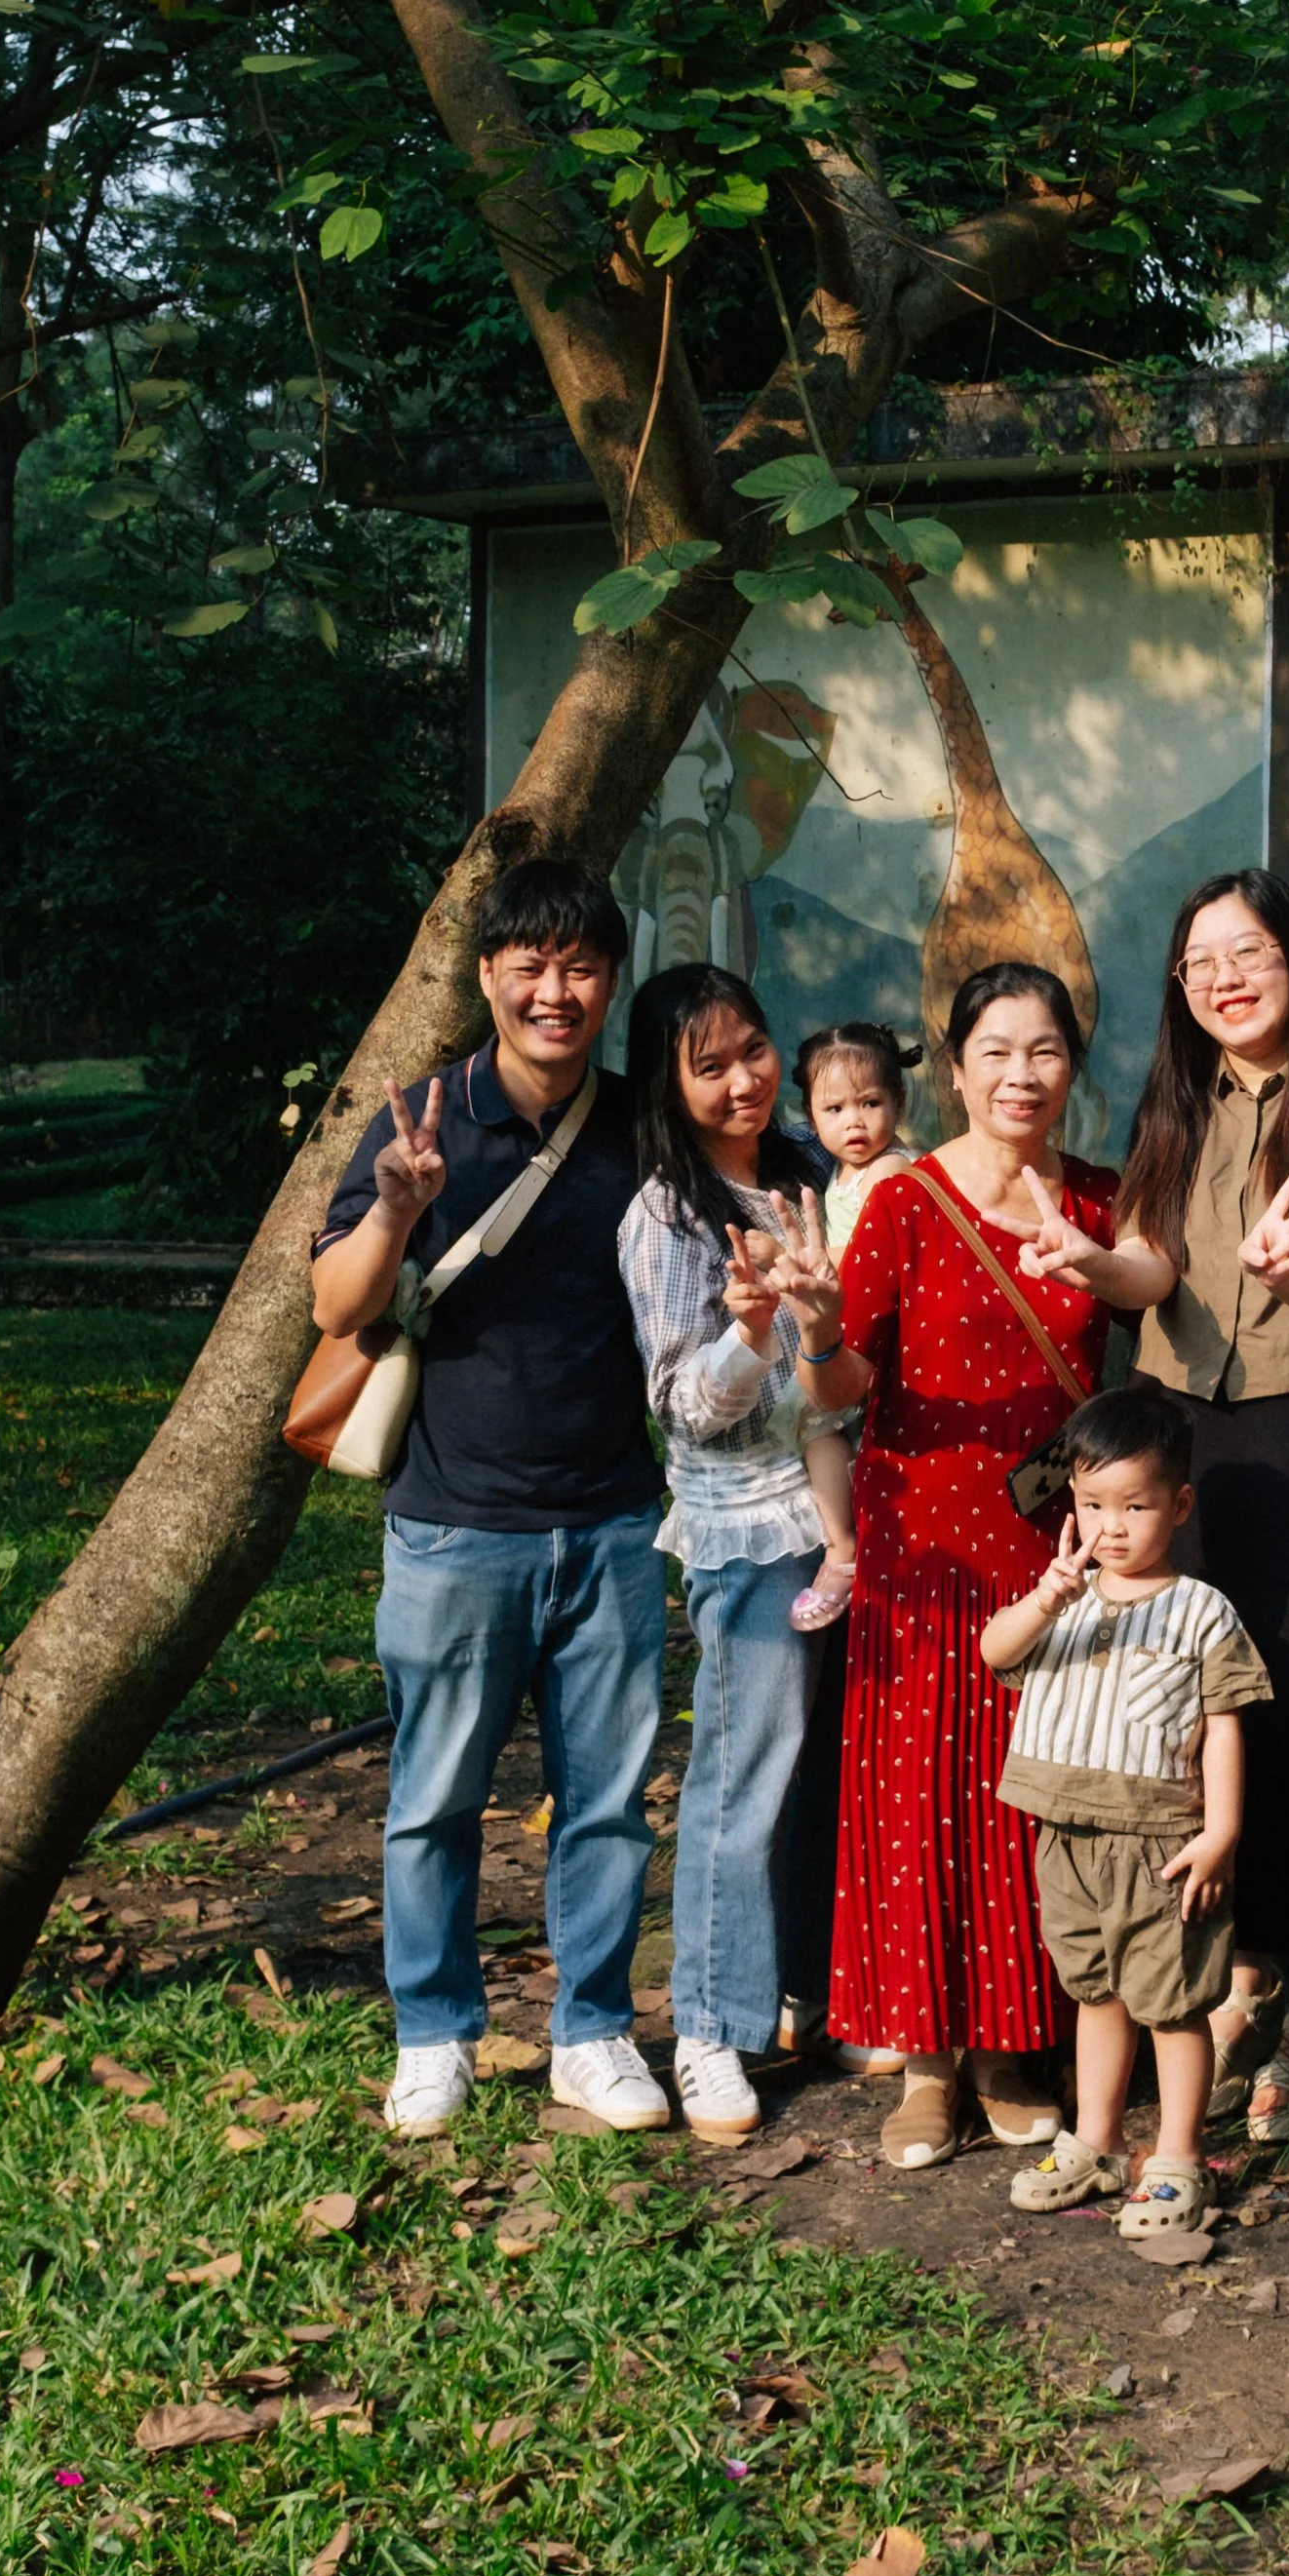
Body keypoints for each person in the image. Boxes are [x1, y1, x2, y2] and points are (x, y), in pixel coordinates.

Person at [313, 852, 672, 2139]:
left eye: (579, 964)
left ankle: (590, 2029)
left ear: (608, 978)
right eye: (531, 962)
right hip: (455, 1520)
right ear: (488, 974)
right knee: (433, 1800)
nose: (555, 988)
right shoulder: (422, 1117)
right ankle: (433, 2030)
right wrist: (396, 1211)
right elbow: (336, 1308)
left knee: (609, 1803)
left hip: (616, 1519)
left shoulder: (642, 1124)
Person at [795, 960, 1176, 2168]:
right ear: (951, 1068)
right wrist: (811, 1332)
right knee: (914, 1801)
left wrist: (1092, 1263)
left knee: (1034, 1799)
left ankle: (1014, 2047)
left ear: (1073, 1067)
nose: (1021, 1075)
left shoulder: (1104, 1202)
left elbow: (1155, 1303)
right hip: (920, 1542)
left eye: (1045, 1052)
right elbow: (846, 1383)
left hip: (1054, 1550)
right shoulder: (906, 1201)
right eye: (995, 1052)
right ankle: (922, 2062)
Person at [1122, 868, 1289, 2128]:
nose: (1226, 977)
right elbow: (1147, 1261)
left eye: (1252, 952)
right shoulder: (1176, 1100)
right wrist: (1092, 1261)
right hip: (1192, 1427)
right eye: (1201, 961)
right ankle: (1242, 1965)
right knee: (1207, 1705)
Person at [616, 964, 845, 2142]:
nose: (743, 1080)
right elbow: (685, 1407)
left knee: (828, 1772)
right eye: (708, 1066)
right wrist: (752, 1332)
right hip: (752, 1530)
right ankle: (708, 2027)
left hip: (850, 1517)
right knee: (744, 1775)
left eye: (752, 1050)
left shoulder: (814, 1173)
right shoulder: (665, 1210)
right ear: (668, 1080)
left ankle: (810, 1994)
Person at [982, 1389, 1274, 2237]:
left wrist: (1220, 1833)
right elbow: (993, 1651)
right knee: (1096, 1991)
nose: (1112, 1526)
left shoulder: (1200, 1611)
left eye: (1135, 1506)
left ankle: (1178, 2154)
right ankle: (1097, 2140)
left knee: (1172, 2002)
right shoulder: (1061, 1601)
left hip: (1160, 1843)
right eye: (1092, 1505)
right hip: (1064, 1831)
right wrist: (1047, 1597)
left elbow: (1223, 1729)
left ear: (1179, 1506)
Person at [782, 1019, 921, 1635]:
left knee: (817, 1421)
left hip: (887, 1339)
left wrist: (784, 1258)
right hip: (853, 1334)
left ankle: (842, 1552)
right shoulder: (837, 1176)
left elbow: (865, 1263)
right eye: (834, 1108)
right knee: (823, 1428)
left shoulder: (890, 1171)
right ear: (811, 1120)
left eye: (870, 1103)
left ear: (899, 1102)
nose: (854, 1122)